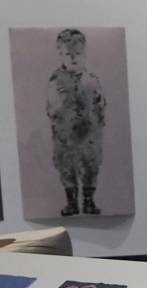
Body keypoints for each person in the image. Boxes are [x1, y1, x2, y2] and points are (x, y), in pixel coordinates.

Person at [46, 28, 105, 216]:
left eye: (77, 54)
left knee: (90, 167)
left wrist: (98, 122)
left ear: (84, 53)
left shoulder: (91, 79)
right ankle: (71, 203)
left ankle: (89, 201)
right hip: (66, 134)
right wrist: (60, 116)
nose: (73, 58)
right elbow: (50, 107)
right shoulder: (56, 79)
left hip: (89, 133)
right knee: (67, 168)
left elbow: (100, 103)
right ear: (60, 54)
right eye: (68, 54)